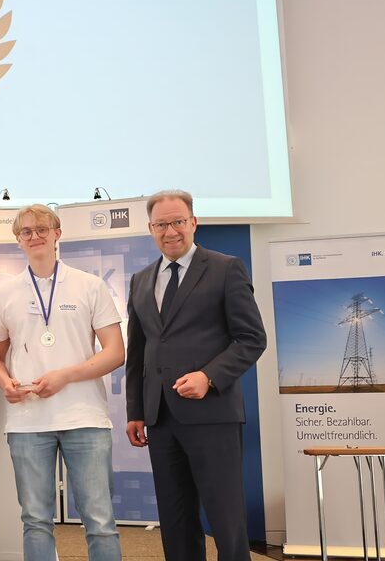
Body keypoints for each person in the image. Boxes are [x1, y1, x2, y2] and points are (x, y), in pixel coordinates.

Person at [125, 189, 266, 561]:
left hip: (212, 414)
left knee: (225, 517)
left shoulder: (225, 268)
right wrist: (136, 411)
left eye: (177, 222)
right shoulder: (140, 279)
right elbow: (137, 352)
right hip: (160, 418)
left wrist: (209, 376)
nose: (170, 231)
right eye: (161, 224)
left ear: (193, 222)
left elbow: (252, 339)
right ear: (150, 229)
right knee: (176, 519)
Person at [0, 204, 125, 561]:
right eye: (27, 232)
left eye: (42, 229)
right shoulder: (4, 294)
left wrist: (65, 376)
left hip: (85, 418)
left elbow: (115, 353)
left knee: (100, 519)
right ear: (18, 240)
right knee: (35, 520)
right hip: (28, 423)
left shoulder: (89, 286)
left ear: (57, 234)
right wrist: (4, 383)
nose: (35, 236)